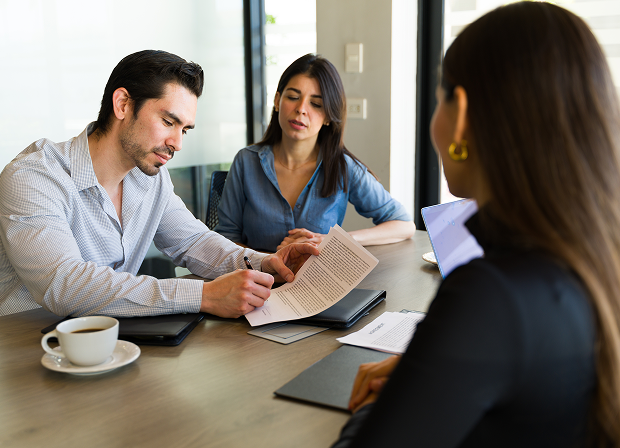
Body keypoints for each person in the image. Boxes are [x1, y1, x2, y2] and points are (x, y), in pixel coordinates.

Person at [332, 2, 620, 447]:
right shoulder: (594, 264)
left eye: (436, 102)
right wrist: (438, 372)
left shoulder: (491, 293)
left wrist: (380, 406)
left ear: (461, 114)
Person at [0, 50, 318, 318]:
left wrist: (267, 263)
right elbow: (64, 284)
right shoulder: (33, 177)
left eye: (185, 129)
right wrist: (203, 295)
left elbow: (194, 243)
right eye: (168, 122)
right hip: (26, 352)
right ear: (123, 104)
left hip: (111, 341)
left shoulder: (150, 178)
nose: (177, 143)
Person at [214, 54, 415, 253]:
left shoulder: (342, 166)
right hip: (258, 281)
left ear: (328, 116)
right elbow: (226, 239)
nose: (301, 109)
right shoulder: (246, 161)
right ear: (277, 101)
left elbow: (404, 225)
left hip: (318, 283)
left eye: (316, 104)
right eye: (293, 97)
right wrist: (270, 262)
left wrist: (334, 240)